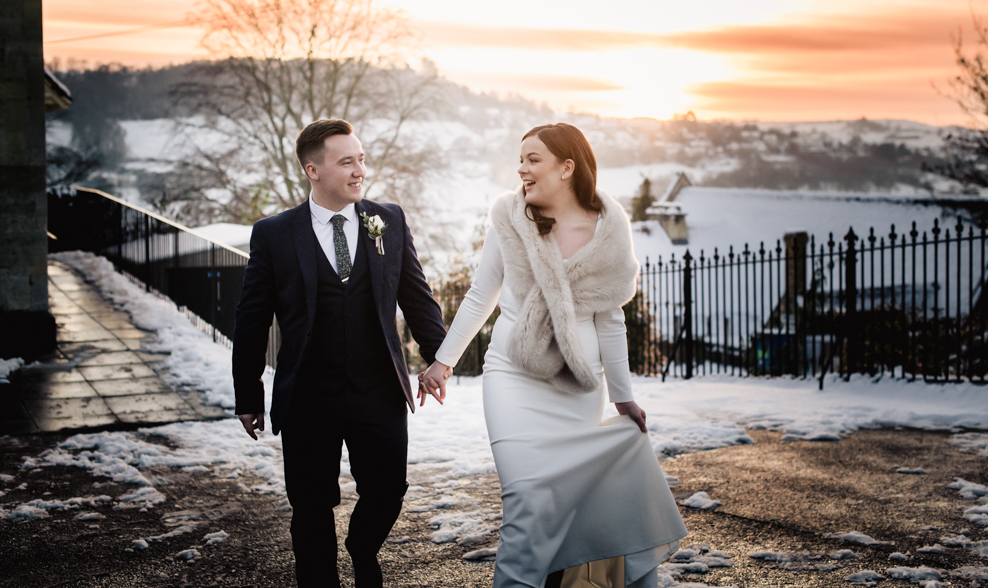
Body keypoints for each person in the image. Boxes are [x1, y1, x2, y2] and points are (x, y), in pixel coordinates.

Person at [420, 123, 688, 588]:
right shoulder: (509, 220)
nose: (521, 169)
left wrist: (622, 396)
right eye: (520, 159)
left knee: (567, 503)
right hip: (511, 379)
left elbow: (611, 319)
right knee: (526, 500)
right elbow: (481, 295)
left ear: (567, 167)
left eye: (533, 159)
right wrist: (443, 362)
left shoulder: (609, 230)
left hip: (577, 389)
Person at [231, 118, 447, 588]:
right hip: (308, 395)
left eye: (361, 160)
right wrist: (248, 393)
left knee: (388, 492)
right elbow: (251, 318)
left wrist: (438, 358)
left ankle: (362, 548)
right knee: (310, 506)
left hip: (379, 391)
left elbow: (417, 297)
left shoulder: (388, 220)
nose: (359, 171)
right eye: (347, 162)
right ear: (313, 170)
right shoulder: (274, 234)